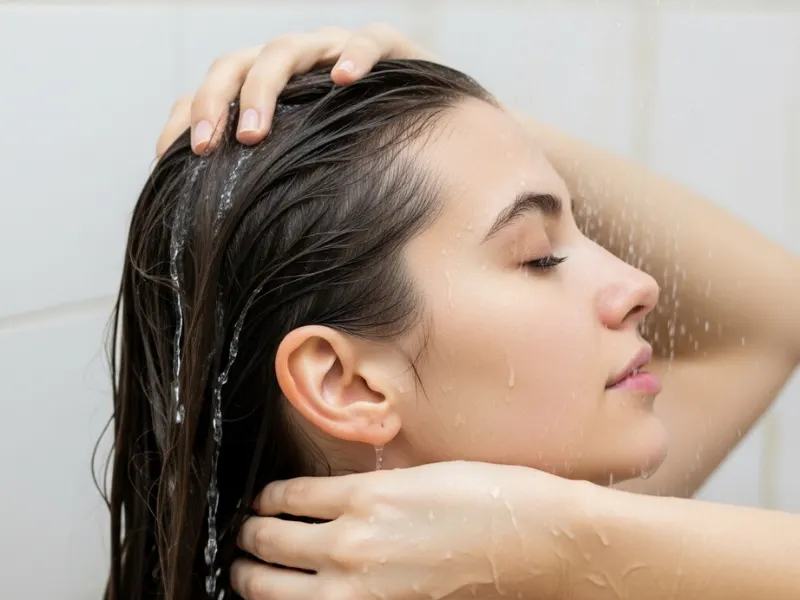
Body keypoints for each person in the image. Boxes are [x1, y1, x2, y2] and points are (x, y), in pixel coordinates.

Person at [107, 25, 800, 600]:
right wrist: (573, 544)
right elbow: (771, 319)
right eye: (538, 257)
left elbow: (770, 315)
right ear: (348, 384)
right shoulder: (562, 545)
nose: (640, 284)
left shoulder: (554, 543)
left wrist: (459, 116)